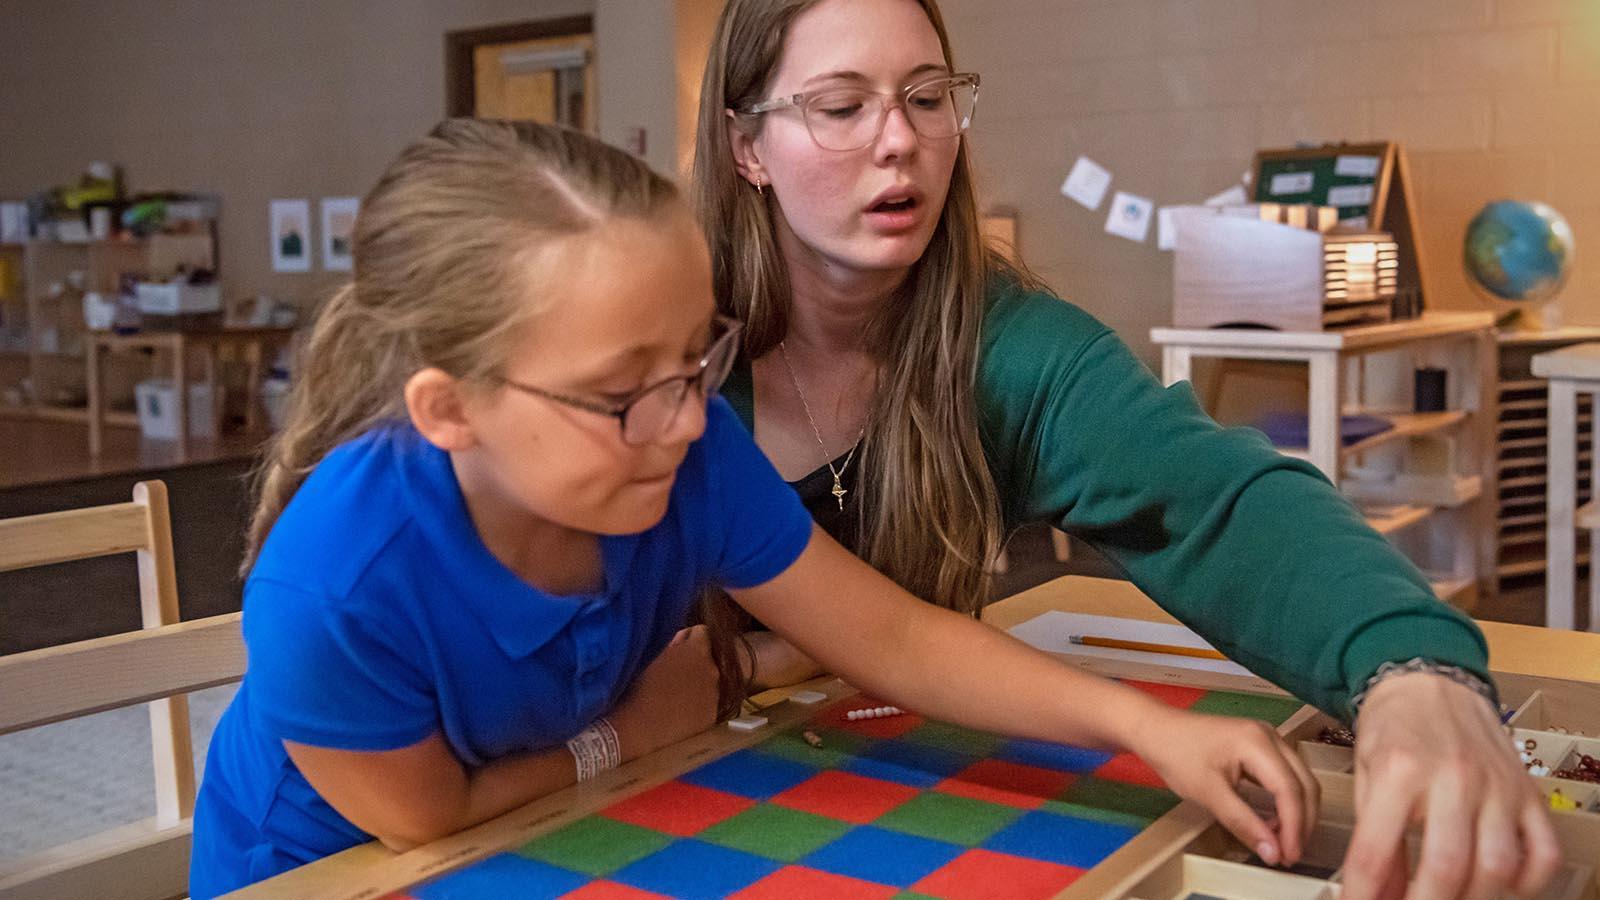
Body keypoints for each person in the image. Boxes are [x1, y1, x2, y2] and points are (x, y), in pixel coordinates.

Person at [187, 119, 1316, 898]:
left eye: (697, 356)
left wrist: (1150, 729)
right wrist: (626, 734)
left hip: (549, 834)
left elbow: (896, 636)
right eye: (626, 390)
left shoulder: (678, 444)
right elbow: (424, 820)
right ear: (449, 409)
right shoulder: (332, 585)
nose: (685, 418)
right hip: (326, 870)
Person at [690, 1, 1561, 897]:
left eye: (927, 96)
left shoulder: (1013, 348)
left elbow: (1218, 502)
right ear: (746, 145)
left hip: (886, 792)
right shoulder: (666, 347)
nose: (899, 140)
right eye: (841, 107)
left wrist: (1412, 670)